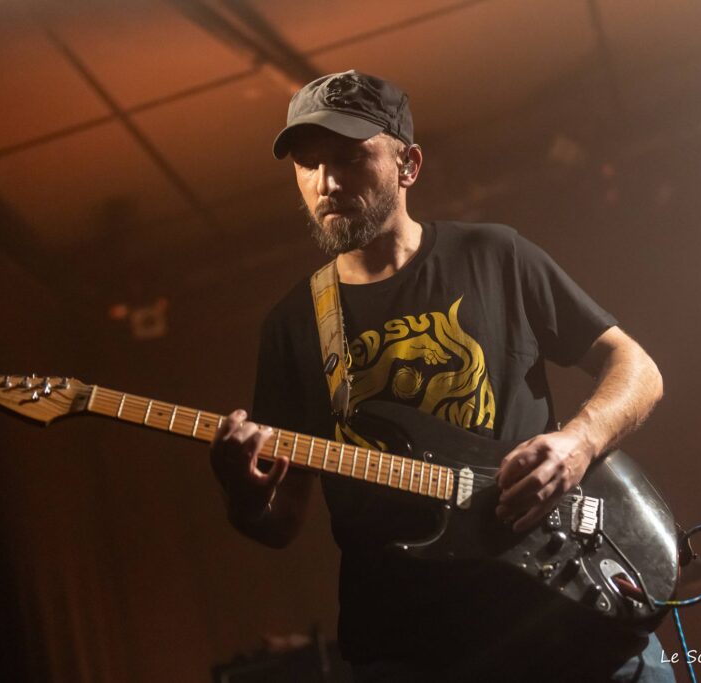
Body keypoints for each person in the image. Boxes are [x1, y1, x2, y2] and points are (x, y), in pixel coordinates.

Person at [210, 70, 673, 682]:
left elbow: (635, 366)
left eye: (350, 157)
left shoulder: (495, 255)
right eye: (308, 162)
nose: (326, 182)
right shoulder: (295, 326)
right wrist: (243, 497)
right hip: (413, 649)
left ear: (409, 165)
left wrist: (578, 443)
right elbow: (281, 520)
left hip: (565, 613)